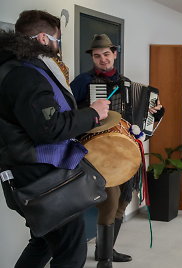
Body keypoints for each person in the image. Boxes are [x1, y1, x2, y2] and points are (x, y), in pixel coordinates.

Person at [0, 10, 110, 268]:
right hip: (39, 174)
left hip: (28, 170)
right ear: (42, 38)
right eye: (57, 40)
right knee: (72, 250)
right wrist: (92, 113)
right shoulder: (23, 74)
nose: (58, 46)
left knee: (43, 242)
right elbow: (49, 128)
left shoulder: (15, 67)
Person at [70, 34, 164, 268]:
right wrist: (90, 110)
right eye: (97, 56)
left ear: (114, 54)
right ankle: (104, 259)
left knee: (122, 200)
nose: (102, 59)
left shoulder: (127, 83)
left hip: (125, 152)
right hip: (98, 154)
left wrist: (154, 115)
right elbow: (69, 115)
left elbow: (137, 119)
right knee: (109, 202)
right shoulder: (83, 82)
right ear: (92, 57)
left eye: (106, 54)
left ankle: (108, 249)